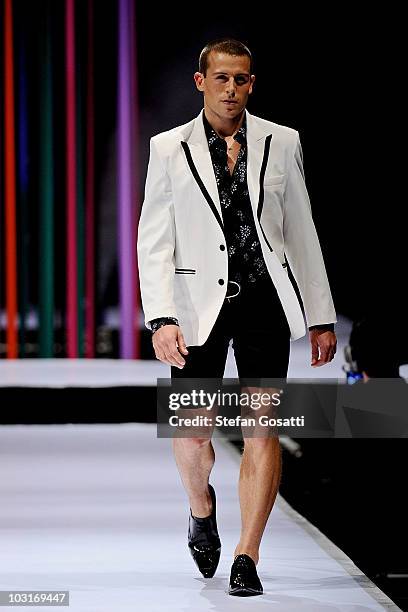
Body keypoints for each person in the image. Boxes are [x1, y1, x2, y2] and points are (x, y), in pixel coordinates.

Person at [137, 38, 337, 597]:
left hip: (264, 302)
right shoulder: (168, 148)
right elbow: (153, 239)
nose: (232, 89)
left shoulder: (282, 141)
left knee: (261, 427)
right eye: (221, 78)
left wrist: (320, 315)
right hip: (194, 305)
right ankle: (202, 509)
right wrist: (160, 317)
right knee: (192, 429)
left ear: (252, 83)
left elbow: (301, 230)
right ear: (200, 81)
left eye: (241, 79)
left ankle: (247, 553)